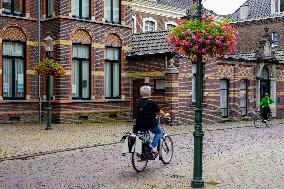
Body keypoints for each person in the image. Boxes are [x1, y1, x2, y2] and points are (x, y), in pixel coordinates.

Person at [134, 85, 170, 154]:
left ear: (141, 93)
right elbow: (160, 112)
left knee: (144, 137)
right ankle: (152, 147)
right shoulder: (151, 102)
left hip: (139, 124)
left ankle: (143, 152)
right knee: (159, 132)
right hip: (150, 123)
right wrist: (165, 115)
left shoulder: (138, 102)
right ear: (149, 93)